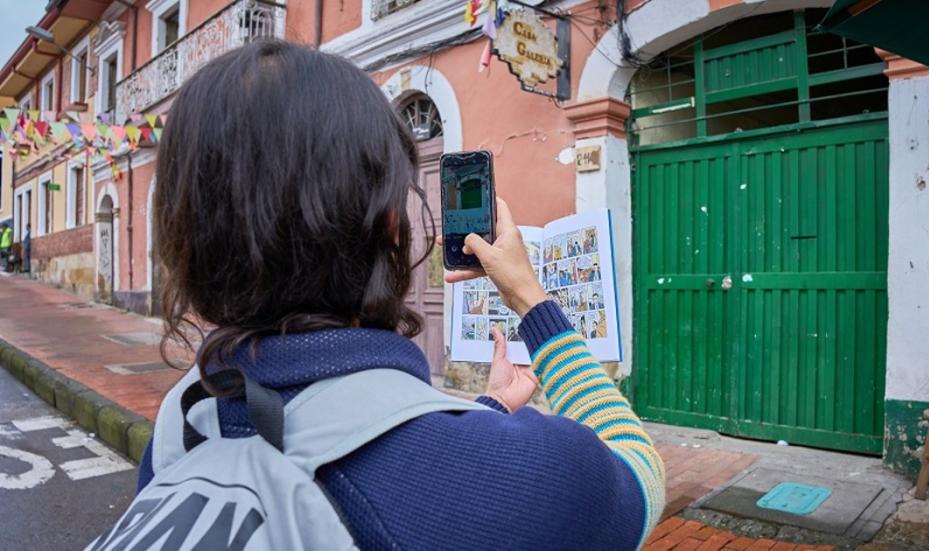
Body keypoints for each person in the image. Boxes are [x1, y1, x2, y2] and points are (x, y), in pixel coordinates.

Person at [138, 41, 664, 550]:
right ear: (392, 224)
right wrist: (531, 302)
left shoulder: (179, 430)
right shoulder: (520, 476)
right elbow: (636, 470)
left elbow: (382, 453)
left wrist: (492, 406)